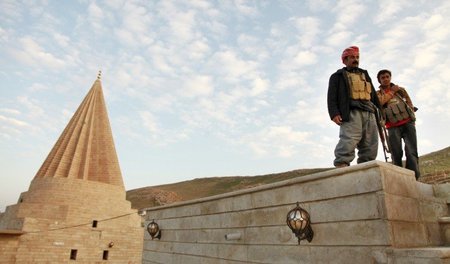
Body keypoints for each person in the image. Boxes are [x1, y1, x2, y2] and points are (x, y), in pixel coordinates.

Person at [327, 46, 381, 168]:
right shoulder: (337, 76)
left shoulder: (364, 74)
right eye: (352, 57)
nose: (355, 59)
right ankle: (342, 163)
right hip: (351, 111)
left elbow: (373, 95)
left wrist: (380, 112)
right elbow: (331, 97)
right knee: (349, 139)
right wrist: (334, 113)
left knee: (371, 141)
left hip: (369, 112)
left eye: (357, 57)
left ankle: (366, 166)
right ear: (345, 60)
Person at [376, 69, 420, 180]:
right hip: (391, 127)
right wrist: (391, 92)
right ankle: (399, 179)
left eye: (387, 76)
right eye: (383, 78)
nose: (385, 79)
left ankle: (414, 178)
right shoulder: (378, 94)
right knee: (396, 153)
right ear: (379, 80)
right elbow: (380, 102)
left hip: (408, 123)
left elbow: (409, 103)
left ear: (390, 77)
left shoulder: (400, 90)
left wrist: (413, 119)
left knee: (411, 151)